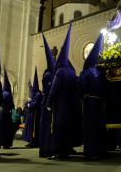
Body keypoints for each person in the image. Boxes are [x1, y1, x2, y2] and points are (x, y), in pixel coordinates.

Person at [46, 24, 79, 159]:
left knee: (59, 127)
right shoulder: (72, 72)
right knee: (68, 127)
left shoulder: (59, 72)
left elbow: (54, 88)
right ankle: (67, 148)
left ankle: (59, 152)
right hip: (71, 105)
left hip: (60, 105)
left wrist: (49, 102)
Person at [78, 34, 107, 160]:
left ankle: (90, 152)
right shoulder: (99, 73)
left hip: (89, 102)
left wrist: (81, 97)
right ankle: (99, 151)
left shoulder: (86, 72)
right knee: (98, 126)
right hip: (100, 102)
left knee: (90, 127)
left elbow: (82, 86)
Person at [39, 34, 56, 158]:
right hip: (47, 103)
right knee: (46, 127)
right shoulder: (48, 74)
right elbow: (49, 89)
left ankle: (48, 149)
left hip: (49, 102)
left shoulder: (50, 73)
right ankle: (45, 150)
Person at [1, 68, 15, 149]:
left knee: (1, 128)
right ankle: (6, 143)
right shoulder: (8, 94)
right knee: (7, 129)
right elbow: (11, 105)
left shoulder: (2, 93)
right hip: (7, 113)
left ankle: (1, 142)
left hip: (1, 112)